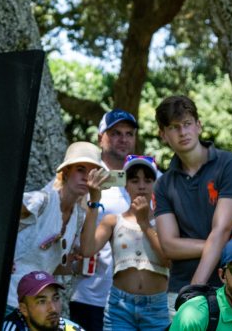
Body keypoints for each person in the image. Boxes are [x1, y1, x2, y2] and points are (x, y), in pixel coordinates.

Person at [152, 94, 232, 315]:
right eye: (174, 127)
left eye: (187, 124)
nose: (182, 132)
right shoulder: (163, 185)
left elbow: (222, 229)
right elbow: (169, 246)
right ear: (163, 134)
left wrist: (193, 291)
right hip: (178, 291)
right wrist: (226, 246)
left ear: (199, 126)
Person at [8, 141, 106, 313]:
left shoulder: (78, 217)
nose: (86, 177)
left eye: (91, 173)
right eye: (80, 169)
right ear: (66, 172)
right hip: (8, 300)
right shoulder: (40, 201)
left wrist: (95, 201)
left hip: (38, 309)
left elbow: (87, 251)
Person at [79, 154, 171, 330]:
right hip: (119, 307)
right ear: (125, 185)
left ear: (156, 184)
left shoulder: (165, 221)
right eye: (134, 180)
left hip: (157, 307)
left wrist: (144, 223)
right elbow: (87, 249)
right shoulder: (112, 221)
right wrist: (94, 201)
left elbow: (168, 261)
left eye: (148, 180)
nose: (142, 186)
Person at [72, 109, 142, 331]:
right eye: (115, 133)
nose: (123, 139)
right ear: (100, 137)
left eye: (129, 134)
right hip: (91, 297)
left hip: (136, 301)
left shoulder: (148, 177)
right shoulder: (84, 175)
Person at [3, 271, 88, 331]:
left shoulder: (70, 328)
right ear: (24, 309)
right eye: (42, 301)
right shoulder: (9, 328)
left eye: (56, 298)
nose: (53, 308)